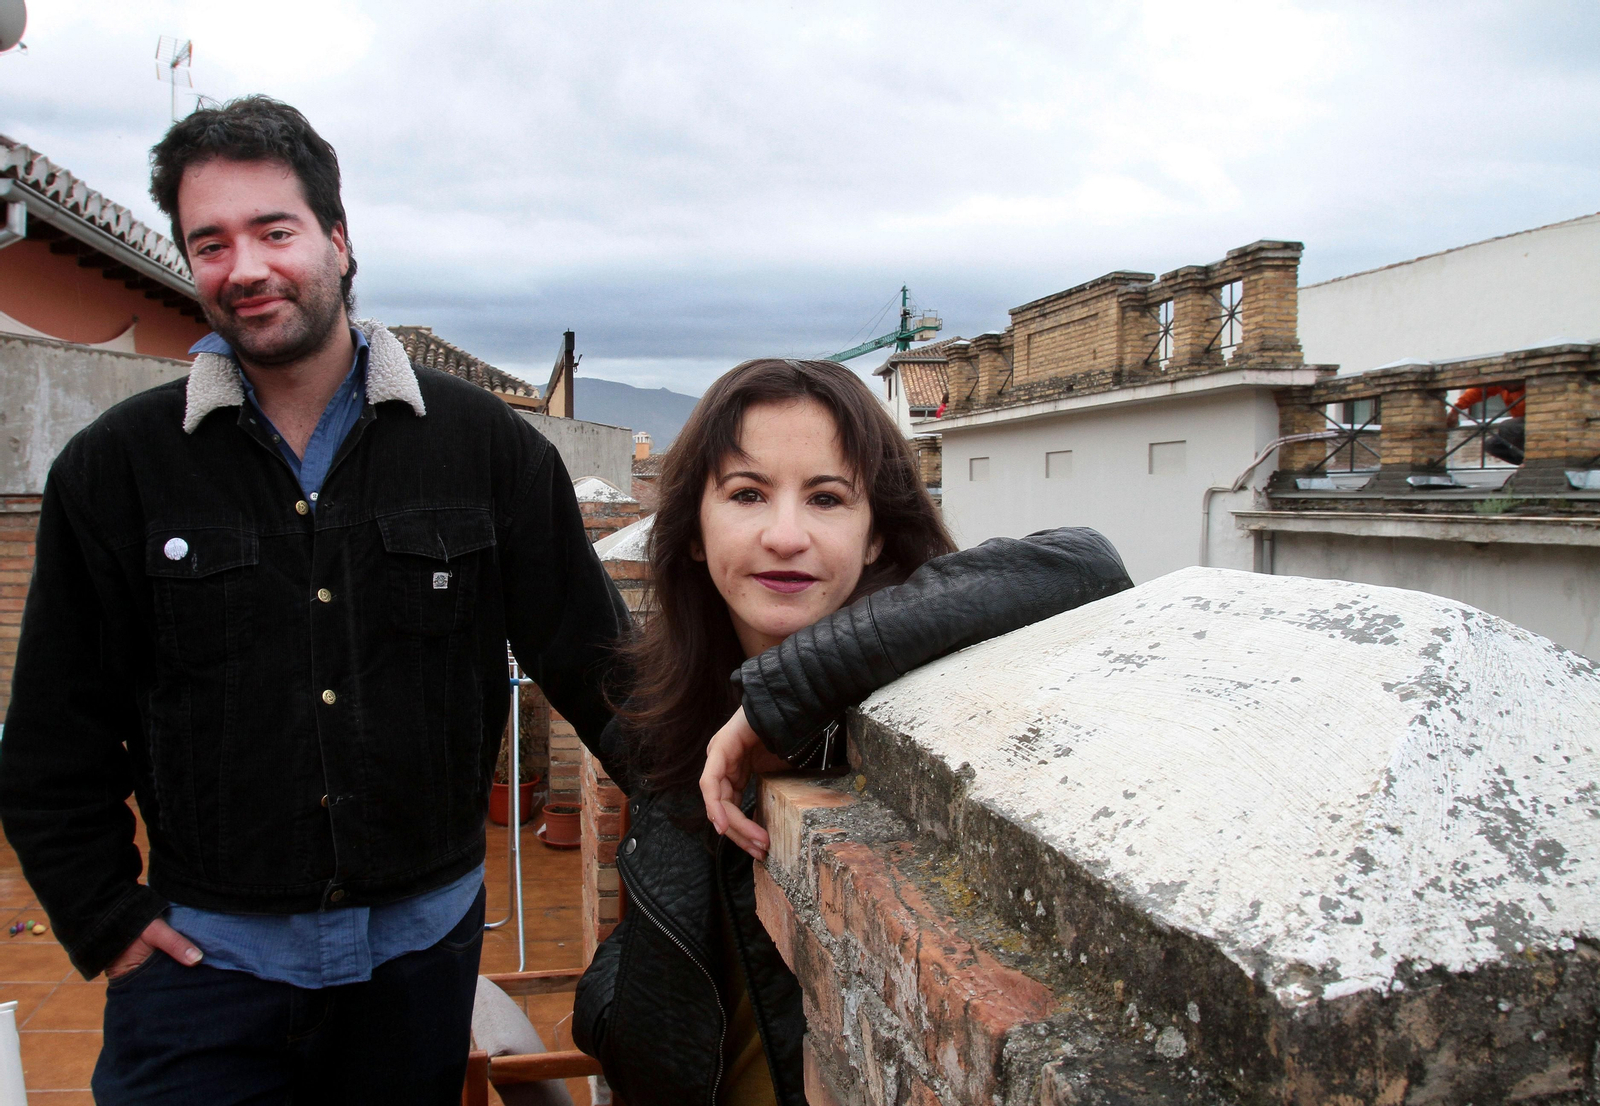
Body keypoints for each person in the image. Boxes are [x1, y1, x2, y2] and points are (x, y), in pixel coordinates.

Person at [0, 95, 636, 1101]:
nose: (243, 266)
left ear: (339, 242)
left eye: (273, 230)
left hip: (416, 972)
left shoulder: (485, 450)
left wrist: (724, 773)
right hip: (201, 980)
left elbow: (601, 667)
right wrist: (105, 919)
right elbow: (50, 738)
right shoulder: (114, 471)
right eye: (209, 242)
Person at [571, 358, 1132, 1106]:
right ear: (696, 534)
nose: (785, 535)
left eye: (827, 498)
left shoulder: (908, 687)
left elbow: (1085, 563)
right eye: (747, 494)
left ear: (874, 538)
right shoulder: (669, 705)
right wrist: (610, 1010)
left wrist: (791, 691)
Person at [1449, 382, 1525, 465]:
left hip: (1537, 424)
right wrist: (1456, 410)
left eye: (1507, 384)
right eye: (1503, 385)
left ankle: (1528, 462)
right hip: (1520, 428)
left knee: (1508, 427)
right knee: (1491, 445)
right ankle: (1525, 462)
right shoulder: (1505, 385)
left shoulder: (1532, 384)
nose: (1503, 387)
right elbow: (1478, 391)